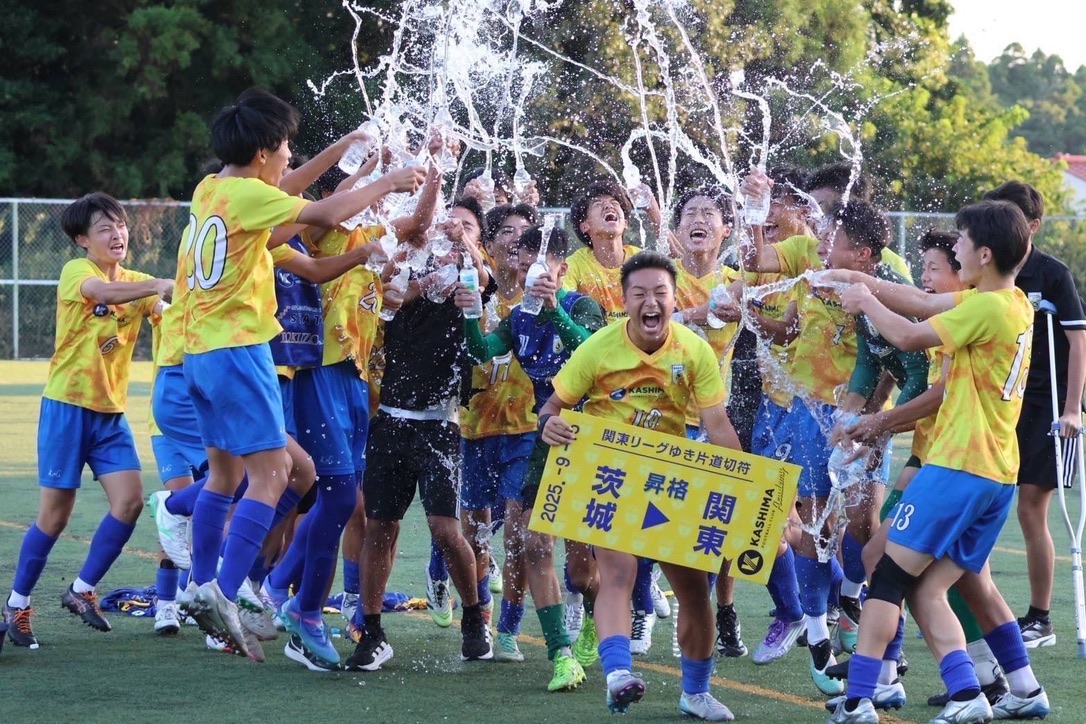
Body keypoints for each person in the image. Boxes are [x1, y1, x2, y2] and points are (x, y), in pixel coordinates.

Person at [174, 87, 424, 659]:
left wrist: (345, 151)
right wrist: (385, 183)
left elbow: (290, 204)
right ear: (263, 152)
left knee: (224, 474)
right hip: (239, 351)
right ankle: (225, 591)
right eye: (286, 146)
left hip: (197, 353)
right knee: (276, 472)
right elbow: (320, 211)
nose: (291, 156)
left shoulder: (213, 190)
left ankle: (203, 583)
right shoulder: (249, 197)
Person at [830, 200, 1050, 723]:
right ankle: (1009, 687)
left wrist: (864, 301)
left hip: (957, 469)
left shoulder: (985, 306)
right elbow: (918, 301)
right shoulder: (1010, 300)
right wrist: (855, 278)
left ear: (985, 252)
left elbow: (905, 333)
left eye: (961, 242)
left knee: (885, 575)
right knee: (939, 588)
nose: (954, 249)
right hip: (995, 473)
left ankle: (862, 698)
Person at [538, 250, 741, 721]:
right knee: (618, 572)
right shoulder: (597, 348)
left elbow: (718, 424)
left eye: (660, 294)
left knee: (694, 591)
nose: (651, 302)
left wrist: (743, 481)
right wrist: (548, 424)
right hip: (609, 473)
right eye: (640, 294)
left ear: (674, 299)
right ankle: (617, 674)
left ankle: (696, 693)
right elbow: (553, 407)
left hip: (670, 478)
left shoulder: (694, 350)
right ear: (624, 301)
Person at [4, 192, 173, 649]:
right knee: (54, 517)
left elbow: (166, 314)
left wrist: (173, 304)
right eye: (104, 228)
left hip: (110, 415)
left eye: (120, 225)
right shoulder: (78, 273)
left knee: (130, 502)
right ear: (83, 239)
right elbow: (103, 293)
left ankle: (81, 591)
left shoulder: (139, 282)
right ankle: (17, 603)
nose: (117, 233)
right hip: (66, 408)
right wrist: (157, 286)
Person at [348, 197, 496, 671]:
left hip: (440, 423)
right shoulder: (406, 269)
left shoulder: (471, 282)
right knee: (380, 526)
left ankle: (474, 617)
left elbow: (485, 278)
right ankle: (370, 630)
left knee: (445, 530)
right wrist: (422, 278)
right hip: (390, 418)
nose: (452, 232)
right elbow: (386, 297)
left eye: (467, 227)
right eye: (447, 225)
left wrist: (467, 248)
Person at [459, 224, 604, 691]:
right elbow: (481, 352)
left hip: (591, 437)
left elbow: (593, 352)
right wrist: (468, 315)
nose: (528, 274)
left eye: (538, 265)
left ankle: (595, 622)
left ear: (561, 267)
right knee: (533, 545)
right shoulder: (518, 316)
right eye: (521, 265)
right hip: (544, 437)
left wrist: (553, 310)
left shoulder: (580, 305)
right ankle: (562, 654)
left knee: (584, 569)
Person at [983, 181, 1086, 648]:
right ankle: (981, 612)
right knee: (985, 503)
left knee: (1030, 509)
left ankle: (1040, 617)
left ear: (1033, 226)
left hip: (1047, 408)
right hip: (1002, 404)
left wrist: (1072, 409)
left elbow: (1078, 343)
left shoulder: (1052, 274)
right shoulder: (988, 270)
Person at [456, 203, 539, 661]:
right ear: (488, 245)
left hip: (525, 428)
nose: (515, 243)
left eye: (525, 236)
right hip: (474, 427)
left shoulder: (539, 298)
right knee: (474, 536)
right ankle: (481, 614)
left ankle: (508, 628)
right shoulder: (474, 290)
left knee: (518, 536)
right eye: (506, 233)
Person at [668, 188, 747, 658]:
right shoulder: (662, 277)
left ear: (726, 230)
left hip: (717, 418)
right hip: (669, 421)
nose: (698, 220)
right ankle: (679, 611)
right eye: (689, 213)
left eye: (709, 214)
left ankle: (727, 609)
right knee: (673, 526)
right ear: (678, 230)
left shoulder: (737, 281)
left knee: (720, 525)